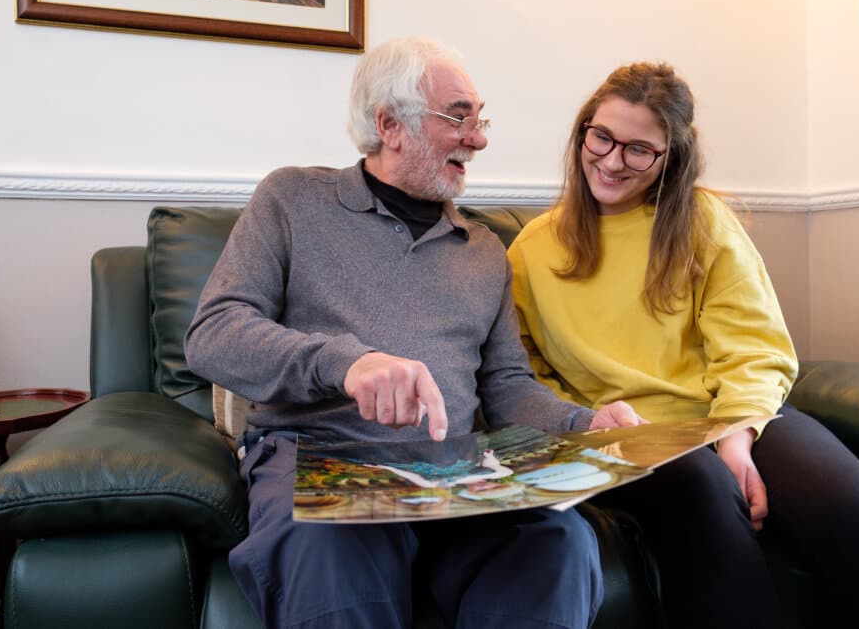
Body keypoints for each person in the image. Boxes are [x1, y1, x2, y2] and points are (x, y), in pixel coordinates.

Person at [184, 36, 638, 629]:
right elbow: (214, 333)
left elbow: (507, 386)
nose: (478, 140)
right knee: (325, 555)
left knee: (560, 543)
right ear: (389, 124)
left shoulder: (483, 250)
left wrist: (585, 424)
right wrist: (346, 364)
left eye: (479, 121)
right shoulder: (292, 200)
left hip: (456, 476)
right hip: (323, 462)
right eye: (458, 118)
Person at [507, 62, 859, 628]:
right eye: (601, 137)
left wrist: (736, 438)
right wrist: (585, 421)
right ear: (584, 130)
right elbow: (522, 375)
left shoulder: (703, 221)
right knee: (704, 495)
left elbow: (752, 346)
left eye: (639, 149)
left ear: (671, 157)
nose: (611, 160)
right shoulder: (531, 250)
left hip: (733, 412)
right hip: (626, 436)